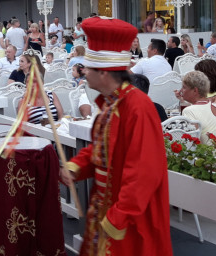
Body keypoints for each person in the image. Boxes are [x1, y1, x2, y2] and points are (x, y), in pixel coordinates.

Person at [59, 16, 171, 255]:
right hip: (105, 212)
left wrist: (117, 217)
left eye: (88, 67)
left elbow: (144, 172)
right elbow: (100, 151)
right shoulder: (111, 103)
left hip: (129, 224)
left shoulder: (137, 107)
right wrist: (75, 166)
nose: (83, 72)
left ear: (104, 73)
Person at [179, 71, 216, 149]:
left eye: (184, 87)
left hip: (209, 155)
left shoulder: (189, 111)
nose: (181, 90)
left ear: (195, 90)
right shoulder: (215, 106)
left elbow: (192, 143)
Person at [16, 50, 64, 124]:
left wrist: (58, 125)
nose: (31, 84)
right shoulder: (23, 101)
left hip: (55, 128)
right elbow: (22, 124)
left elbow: (61, 117)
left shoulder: (51, 95)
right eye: (29, 82)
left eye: (35, 81)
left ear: (42, 83)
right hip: (35, 130)